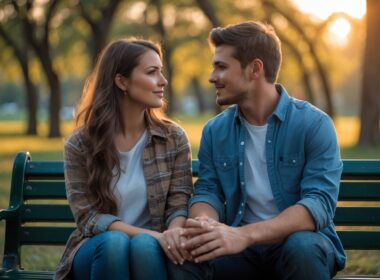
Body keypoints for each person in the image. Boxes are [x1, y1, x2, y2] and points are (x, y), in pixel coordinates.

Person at [169, 21, 346, 280]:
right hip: (241, 251)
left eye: (221, 66)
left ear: (254, 69)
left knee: (302, 247)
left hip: (297, 244)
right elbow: (208, 190)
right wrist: (204, 224)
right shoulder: (215, 130)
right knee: (188, 257)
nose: (212, 76)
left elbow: (317, 205)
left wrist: (244, 235)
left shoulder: (314, 124)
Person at [55, 38, 193, 280]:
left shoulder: (173, 138)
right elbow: (89, 218)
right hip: (98, 249)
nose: (163, 81)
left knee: (142, 247)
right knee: (115, 243)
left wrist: (170, 234)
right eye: (152, 72)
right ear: (122, 81)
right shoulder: (80, 144)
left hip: (152, 249)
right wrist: (152, 235)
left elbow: (179, 202)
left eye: (161, 72)